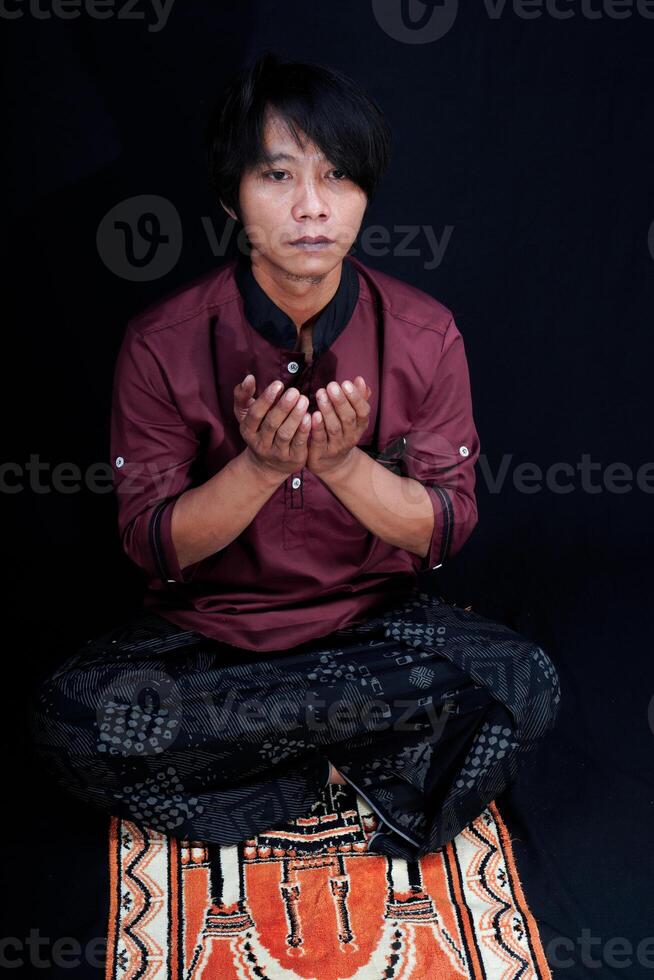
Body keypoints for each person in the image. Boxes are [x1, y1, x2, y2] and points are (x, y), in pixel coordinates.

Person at [29, 53, 561, 861]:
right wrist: (260, 468)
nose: (312, 208)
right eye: (277, 176)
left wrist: (345, 466)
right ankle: (342, 762)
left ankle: (268, 761)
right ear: (229, 196)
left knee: (529, 681)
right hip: (212, 642)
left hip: (375, 630)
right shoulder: (160, 343)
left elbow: (444, 533)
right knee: (68, 716)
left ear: (365, 194)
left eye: (338, 176)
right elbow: (150, 544)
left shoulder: (426, 334)